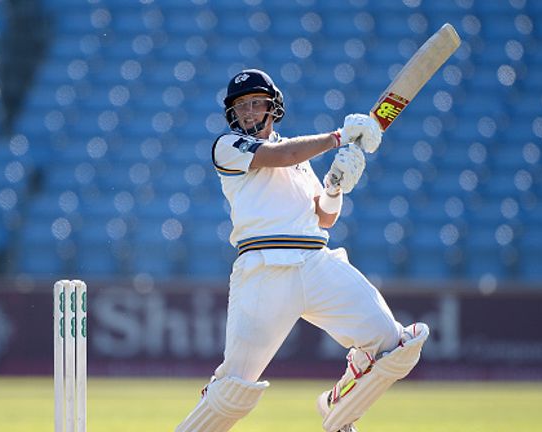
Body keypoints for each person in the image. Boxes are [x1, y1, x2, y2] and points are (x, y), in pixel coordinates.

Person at [176, 69, 429, 432]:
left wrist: (335, 187)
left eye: (256, 103)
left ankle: (337, 407)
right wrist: (339, 137)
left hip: (315, 262)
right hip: (265, 269)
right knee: (232, 391)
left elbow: (324, 218)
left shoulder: (299, 160)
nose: (248, 112)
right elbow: (280, 154)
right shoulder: (228, 147)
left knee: (396, 345)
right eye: (242, 106)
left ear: (273, 107)